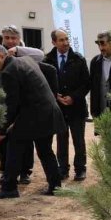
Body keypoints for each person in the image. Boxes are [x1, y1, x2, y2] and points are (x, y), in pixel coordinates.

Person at [0, 44, 63, 200]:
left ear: (1, 56)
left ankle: (9, 188)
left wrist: (1, 131)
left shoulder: (9, 72)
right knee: (44, 150)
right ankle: (55, 186)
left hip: (36, 114)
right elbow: (49, 71)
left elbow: (12, 105)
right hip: (47, 111)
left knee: (14, 145)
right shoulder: (25, 60)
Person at [0, 24, 45, 184]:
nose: (10, 41)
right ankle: (5, 171)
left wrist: (17, 51)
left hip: (25, 104)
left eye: (13, 38)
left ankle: (25, 172)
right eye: (7, 38)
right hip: (6, 102)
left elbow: (41, 55)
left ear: (19, 39)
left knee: (26, 139)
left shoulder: (26, 52)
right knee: (4, 139)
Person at [45, 29, 90, 181]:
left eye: (66, 39)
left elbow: (86, 84)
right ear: (53, 42)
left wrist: (73, 97)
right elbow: (44, 83)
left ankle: (80, 169)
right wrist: (55, 95)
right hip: (58, 109)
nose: (65, 43)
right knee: (61, 140)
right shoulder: (47, 60)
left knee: (79, 141)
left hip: (76, 108)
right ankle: (63, 169)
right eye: (61, 40)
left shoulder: (78, 59)